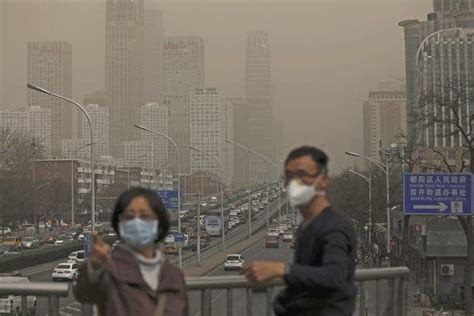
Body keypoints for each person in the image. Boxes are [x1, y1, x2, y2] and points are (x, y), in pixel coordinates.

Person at [241, 146, 358, 316]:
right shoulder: (306, 227)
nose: (295, 184)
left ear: (324, 180)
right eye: (289, 177)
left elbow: (335, 275)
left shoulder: (334, 227)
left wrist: (280, 269)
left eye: (302, 175)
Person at [74, 187, 188, 316]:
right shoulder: (110, 271)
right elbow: (84, 293)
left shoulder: (174, 276)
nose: (137, 223)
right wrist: (95, 266)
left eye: (145, 216)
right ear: (120, 224)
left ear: (159, 223)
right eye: (129, 216)